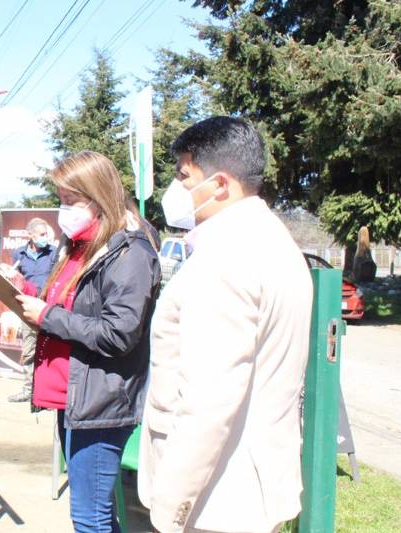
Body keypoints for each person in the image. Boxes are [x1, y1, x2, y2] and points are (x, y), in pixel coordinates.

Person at [138, 117, 313, 533]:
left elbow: (208, 402)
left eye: (184, 176)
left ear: (219, 184)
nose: (175, 190)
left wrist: (171, 508)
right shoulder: (274, 242)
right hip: (248, 486)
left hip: (216, 497)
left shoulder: (227, 259)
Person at [15, 151, 161, 532]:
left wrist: (47, 317)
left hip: (102, 400)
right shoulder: (78, 247)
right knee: (95, 514)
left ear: (98, 197)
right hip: (75, 395)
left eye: (69, 201)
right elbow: (70, 305)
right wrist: (27, 292)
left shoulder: (130, 253)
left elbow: (119, 333)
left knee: (90, 518)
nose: (62, 210)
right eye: (60, 199)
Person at [5, 218, 55, 403]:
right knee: (29, 350)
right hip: (28, 309)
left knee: (50, 351)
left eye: (46, 234)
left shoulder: (53, 253)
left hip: (50, 309)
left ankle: (48, 393)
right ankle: (28, 390)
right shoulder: (19, 255)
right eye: (41, 235)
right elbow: (16, 280)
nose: (45, 238)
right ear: (30, 236)